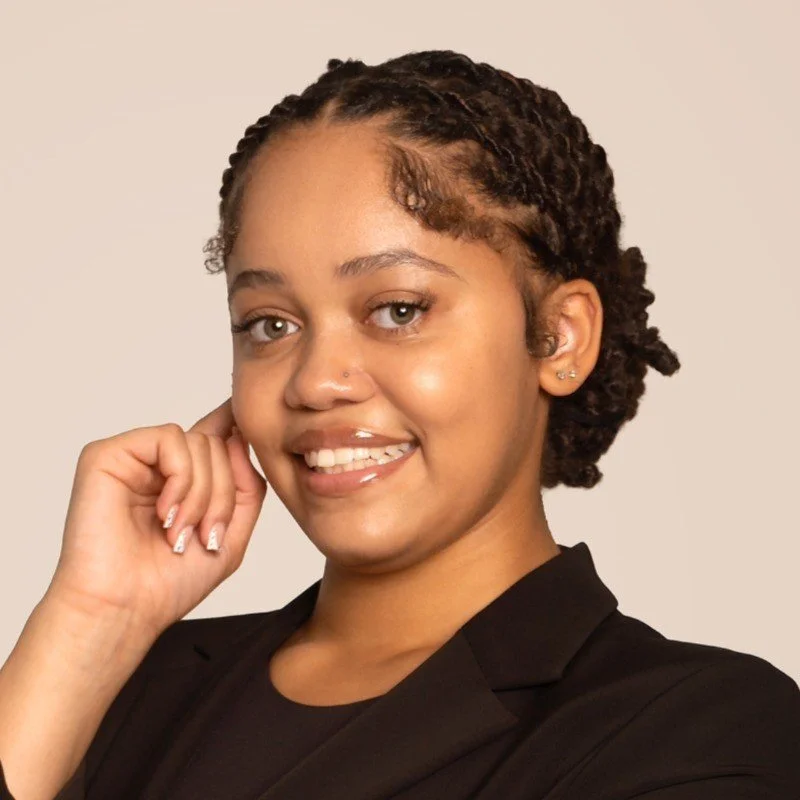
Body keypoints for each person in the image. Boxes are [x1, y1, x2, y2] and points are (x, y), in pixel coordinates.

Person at [0, 49, 798, 800]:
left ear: (558, 337)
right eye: (270, 324)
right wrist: (90, 623)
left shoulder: (696, 727)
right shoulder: (132, 690)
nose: (314, 381)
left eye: (397, 309)